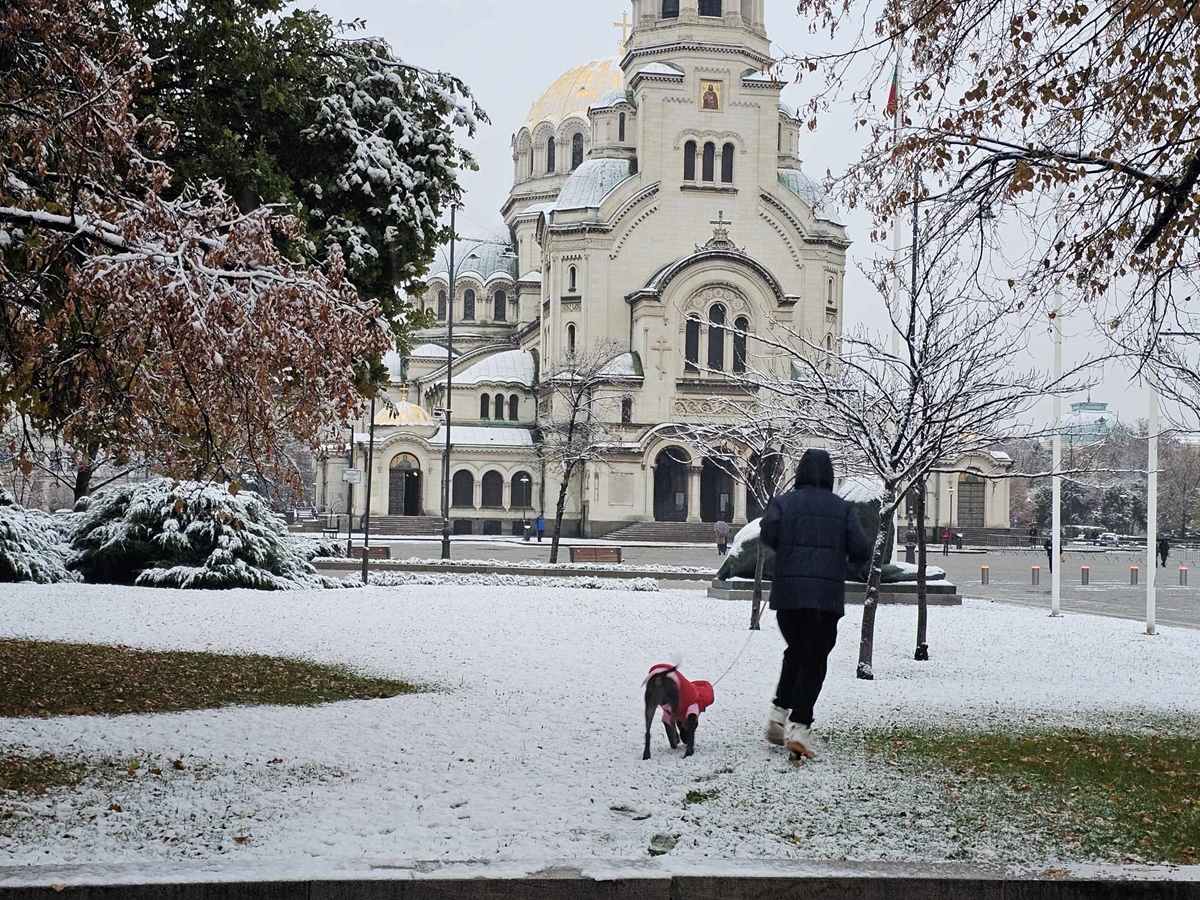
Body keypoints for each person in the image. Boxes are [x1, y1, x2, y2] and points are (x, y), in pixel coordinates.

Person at [760, 449, 872, 760]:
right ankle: (800, 727)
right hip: (825, 599)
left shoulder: (783, 503)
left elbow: (768, 534)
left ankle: (779, 712)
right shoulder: (843, 509)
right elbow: (861, 546)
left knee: (796, 650)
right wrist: (844, 567)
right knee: (815, 659)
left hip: (788, 596)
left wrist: (786, 554)